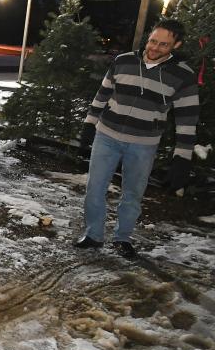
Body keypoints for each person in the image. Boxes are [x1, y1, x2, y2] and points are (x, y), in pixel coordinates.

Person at [74, 20, 199, 258]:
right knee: (94, 188)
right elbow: (102, 94)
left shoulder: (182, 76)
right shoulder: (123, 61)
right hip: (107, 135)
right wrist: (89, 126)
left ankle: (122, 238)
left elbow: (187, 119)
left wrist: (182, 158)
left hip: (143, 144)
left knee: (132, 194)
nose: (155, 48)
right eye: (153, 41)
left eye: (164, 45)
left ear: (176, 45)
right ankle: (93, 235)